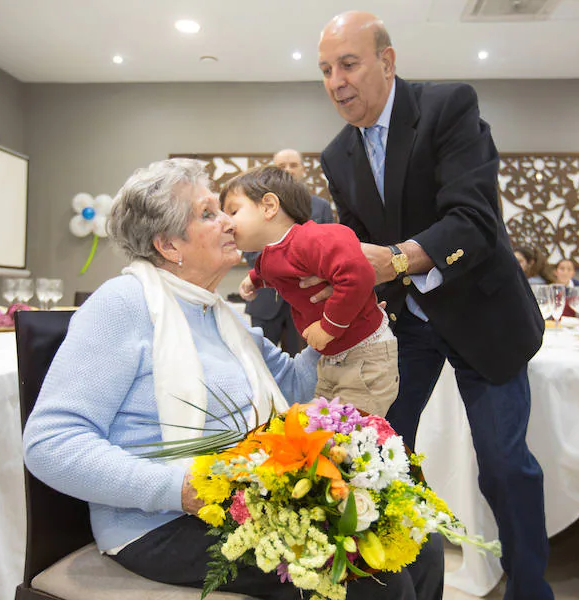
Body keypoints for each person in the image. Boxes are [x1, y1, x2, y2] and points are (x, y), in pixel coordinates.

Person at [22, 158, 443, 600]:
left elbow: (295, 389)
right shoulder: (122, 305)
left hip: (251, 496)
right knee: (375, 582)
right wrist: (181, 490)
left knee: (421, 541)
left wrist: (350, 319)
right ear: (168, 245)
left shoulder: (222, 315)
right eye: (208, 214)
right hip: (160, 522)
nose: (228, 222)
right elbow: (51, 441)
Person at [317, 11, 551, 600]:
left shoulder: (447, 108)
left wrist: (393, 260)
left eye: (349, 63)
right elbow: (355, 242)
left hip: (482, 314)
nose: (336, 81)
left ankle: (530, 589)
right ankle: (398, 584)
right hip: (409, 326)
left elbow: (474, 219)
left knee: (503, 466)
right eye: (324, 70)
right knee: (380, 453)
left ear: (387, 62)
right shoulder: (336, 155)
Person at [222, 166, 398, 417]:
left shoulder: (313, 239)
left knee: (353, 435)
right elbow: (273, 272)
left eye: (233, 211)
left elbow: (358, 275)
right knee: (319, 428)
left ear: (269, 206)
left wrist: (328, 326)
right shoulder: (271, 254)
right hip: (331, 357)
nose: (227, 222)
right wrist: (254, 280)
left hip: (364, 353)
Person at [242, 149, 335, 355]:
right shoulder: (257, 207)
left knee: (304, 366)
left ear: (303, 169)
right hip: (266, 298)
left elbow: (330, 251)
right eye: (281, 166)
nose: (288, 170)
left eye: (293, 165)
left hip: (308, 301)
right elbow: (248, 251)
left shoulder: (320, 206)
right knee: (261, 364)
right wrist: (282, 267)